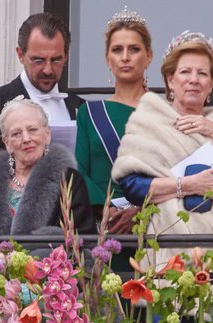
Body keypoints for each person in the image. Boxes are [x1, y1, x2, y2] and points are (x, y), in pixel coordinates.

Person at [112, 31, 213, 265]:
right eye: (185, 72)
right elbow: (132, 188)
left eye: (203, 73)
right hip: (168, 253)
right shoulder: (149, 122)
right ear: (170, 80)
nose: (194, 79)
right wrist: (187, 185)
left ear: (211, 84)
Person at [0, 12, 84, 233]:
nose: (48, 69)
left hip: (68, 234)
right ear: (20, 54)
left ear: (66, 56)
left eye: (56, 60)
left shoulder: (81, 109)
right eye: (38, 60)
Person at [74, 6, 151, 234]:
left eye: (134, 49)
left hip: (153, 227)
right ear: (108, 58)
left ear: (149, 56)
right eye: (117, 50)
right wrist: (107, 208)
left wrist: (140, 209)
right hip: (105, 226)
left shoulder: (165, 112)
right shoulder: (89, 113)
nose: (125, 57)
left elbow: (176, 174)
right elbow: (78, 171)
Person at [0, 97, 95, 236]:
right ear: (7, 143)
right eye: (16, 134)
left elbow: (83, 240)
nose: (26, 139)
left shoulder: (69, 180)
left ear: (47, 134)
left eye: (32, 130)